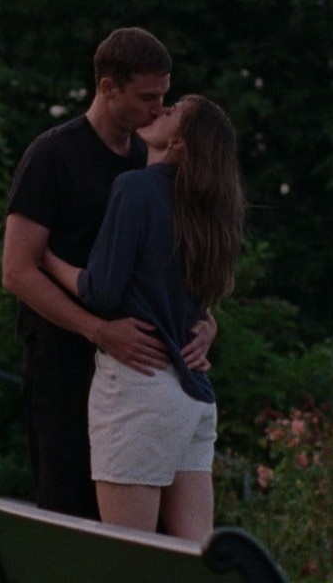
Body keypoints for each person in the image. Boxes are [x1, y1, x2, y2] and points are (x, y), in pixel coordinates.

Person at [0, 27, 213, 583]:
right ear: (107, 87)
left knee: (138, 540)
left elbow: (181, 264)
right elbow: (17, 270)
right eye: (146, 97)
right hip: (65, 367)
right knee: (71, 524)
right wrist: (99, 331)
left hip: (144, 375)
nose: (158, 109)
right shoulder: (53, 157)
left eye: (164, 97)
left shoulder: (155, 162)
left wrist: (208, 322)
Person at [41, 95, 243, 547]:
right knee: (194, 551)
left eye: (173, 112)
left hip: (139, 388)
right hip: (193, 396)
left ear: (180, 144)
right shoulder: (208, 210)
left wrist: (47, 260)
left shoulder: (136, 188)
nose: (161, 109)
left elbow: (101, 291)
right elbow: (193, 300)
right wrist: (209, 325)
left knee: (128, 555)